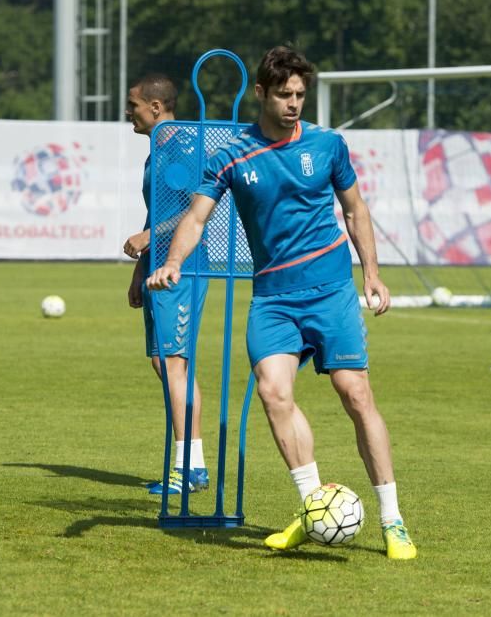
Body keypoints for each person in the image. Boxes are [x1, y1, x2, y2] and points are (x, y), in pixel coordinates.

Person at [147, 46, 418, 559]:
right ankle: (314, 508)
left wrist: (374, 274)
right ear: (261, 94)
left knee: (355, 394)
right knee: (274, 394)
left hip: (331, 291)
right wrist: (174, 260)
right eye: (284, 95)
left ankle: (393, 520)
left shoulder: (328, 144)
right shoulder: (230, 154)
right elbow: (197, 217)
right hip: (272, 297)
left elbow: (355, 211)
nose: (294, 104)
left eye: (300, 94)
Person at [124, 74, 209, 495]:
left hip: (184, 268)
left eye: (133, 105)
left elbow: (197, 208)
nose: (128, 113)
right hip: (157, 268)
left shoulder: (179, 147)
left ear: (156, 107)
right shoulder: (155, 150)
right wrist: (140, 268)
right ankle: (192, 464)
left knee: (175, 363)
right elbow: (160, 209)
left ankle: (187, 468)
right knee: (164, 363)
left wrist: (149, 235)